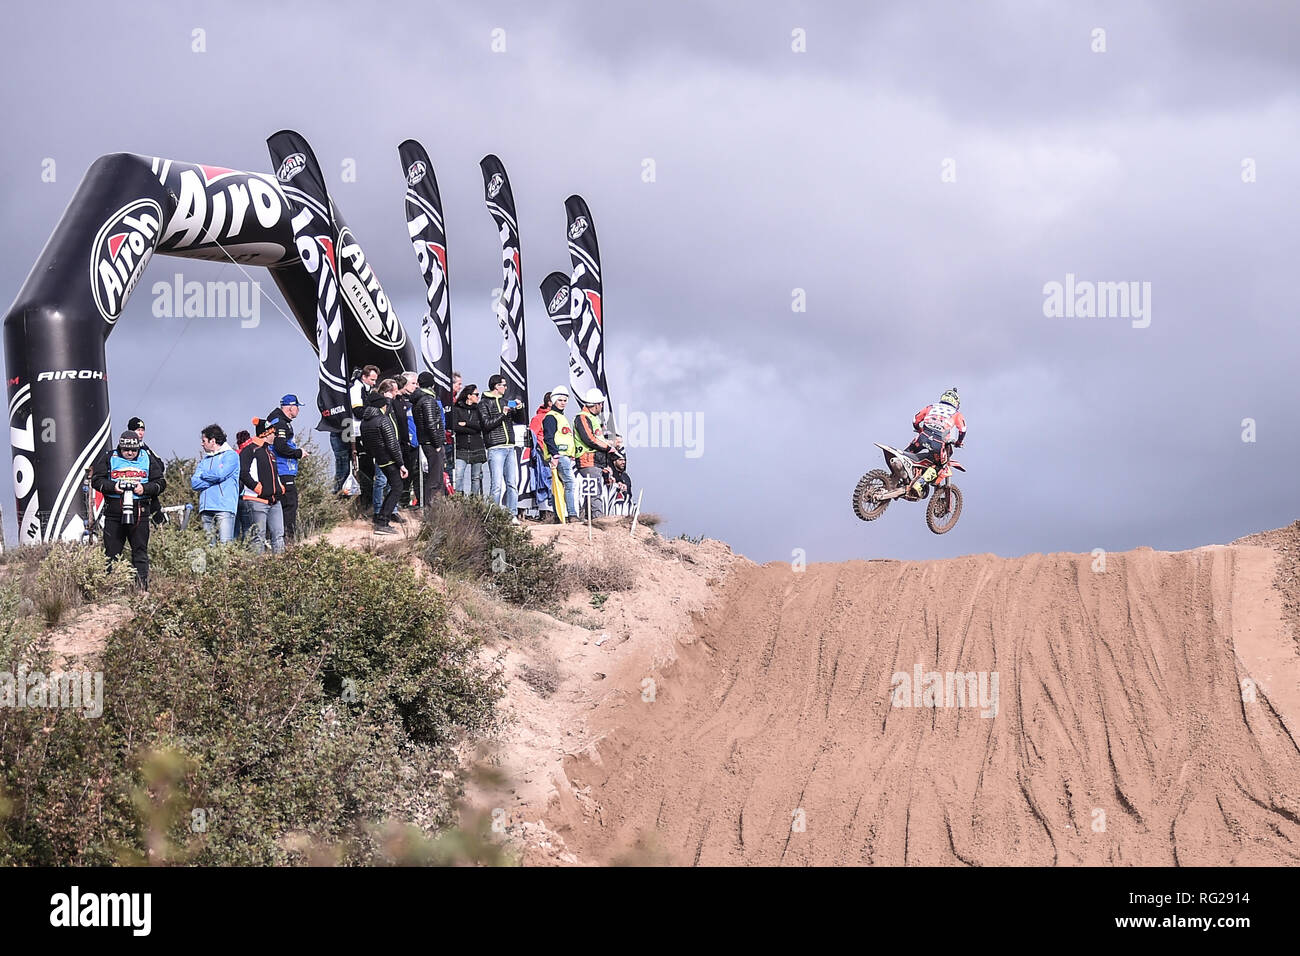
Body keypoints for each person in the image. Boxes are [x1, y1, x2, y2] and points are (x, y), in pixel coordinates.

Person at [90, 432, 166, 587]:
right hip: (114, 511)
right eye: (126, 450)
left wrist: (144, 488)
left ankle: (141, 588)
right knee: (111, 553)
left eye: (134, 450)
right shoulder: (110, 457)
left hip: (140, 511)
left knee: (140, 551)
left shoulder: (147, 457)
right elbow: (96, 480)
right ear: (120, 447)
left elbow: (160, 482)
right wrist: (114, 487)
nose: (130, 453)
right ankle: (111, 588)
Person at [360, 378, 407, 533]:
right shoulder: (382, 420)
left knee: (391, 486)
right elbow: (392, 443)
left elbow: (366, 444)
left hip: (379, 458)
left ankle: (382, 518)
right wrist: (401, 464)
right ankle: (383, 521)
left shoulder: (365, 422)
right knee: (397, 487)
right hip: (389, 458)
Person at [480, 374, 529, 519]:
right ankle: (493, 515)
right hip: (495, 448)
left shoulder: (505, 401)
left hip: (509, 447)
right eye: (504, 384)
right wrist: (503, 414)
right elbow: (487, 424)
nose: (506, 387)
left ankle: (511, 514)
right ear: (496, 386)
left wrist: (519, 409)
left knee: (512, 484)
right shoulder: (483, 403)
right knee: (496, 486)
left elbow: (520, 420)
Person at [905, 387, 966, 497]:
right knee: (939, 466)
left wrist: (919, 429)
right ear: (956, 403)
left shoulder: (931, 407)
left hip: (923, 436)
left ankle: (904, 475)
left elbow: (915, 420)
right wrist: (959, 442)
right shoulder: (956, 414)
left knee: (907, 453)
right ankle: (919, 484)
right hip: (938, 442)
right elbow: (962, 430)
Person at [240, 418, 286, 554]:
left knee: (278, 536)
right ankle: (257, 572)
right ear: (265, 434)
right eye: (272, 433)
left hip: (274, 501)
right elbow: (243, 472)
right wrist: (256, 487)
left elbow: (274, 474)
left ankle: (282, 569)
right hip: (256, 501)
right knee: (257, 538)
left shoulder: (270, 452)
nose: (275, 436)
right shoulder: (250, 450)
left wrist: (280, 486)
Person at [191, 424, 240, 544]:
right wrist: (214, 478)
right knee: (209, 549)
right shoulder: (204, 461)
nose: (202, 444)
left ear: (212, 441)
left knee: (226, 546)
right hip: (206, 508)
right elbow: (194, 483)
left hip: (224, 507)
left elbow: (221, 474)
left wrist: (204, 475)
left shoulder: (231, 456)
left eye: (204, 441)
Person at [266, 395, 304, 542]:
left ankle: (275, 540)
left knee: (280, 507)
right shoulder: (281, 424)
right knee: (289, 505)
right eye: (297, 406)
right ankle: (288, 541)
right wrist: (298, 453)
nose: (298, 410)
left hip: (280, 471)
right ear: (290, 407)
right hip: (282, 471)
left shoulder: (279, 421)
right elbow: (280, 447)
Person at [572, 388, 615, 518]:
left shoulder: (593, 418)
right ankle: (597, 519)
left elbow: (598, 439)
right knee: (595, 491)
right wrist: (607, 447)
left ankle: (586, 518)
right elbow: (589, 439)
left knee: (591, 492)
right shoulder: (582, 417)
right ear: (596, 404)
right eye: (601, 404)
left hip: (596, 461)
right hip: (588, 460)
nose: (602, 406)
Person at [541, 386, 578, 520]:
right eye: (560, 400)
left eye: (565, 400)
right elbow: (548, 437)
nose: (563, 403)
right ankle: (571, 514)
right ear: (554, 401)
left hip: (565, 456)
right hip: (559, 456)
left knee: (558, 485)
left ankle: (559, 515)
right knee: (569, 483)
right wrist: (554, 455)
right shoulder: (551, 417)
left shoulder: (562, 417)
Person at [412, 371, 448, 505]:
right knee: (435, 477)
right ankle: (430, 508)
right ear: (431, 385)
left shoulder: (418, 399)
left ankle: (430, 505)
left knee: (435, 475)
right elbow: (431, 423)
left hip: (426, 440)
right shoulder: (427, 400)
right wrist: (438, 443)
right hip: (431, 442)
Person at [349, 365, 381, 512]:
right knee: (364, 468)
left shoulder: (366, 388)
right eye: (372, 380)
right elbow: (357, 410)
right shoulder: (356, 388)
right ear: (364, 377)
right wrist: (375, 412)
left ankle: (367, 503)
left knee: (369, 468)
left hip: (364, 431)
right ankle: (364, 504)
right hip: (356, 432)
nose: (374, 383)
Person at [126, 416, 167, 527]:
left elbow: (160, 465)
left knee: (157, 517)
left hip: (149, 489)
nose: (141, 433)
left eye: (142, 430)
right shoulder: (125, 448)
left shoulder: (146, 448)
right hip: (132, 491)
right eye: (138, 430)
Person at [451, 384, 487, 498]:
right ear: (469, 396)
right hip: (461, 447)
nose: (478, 397)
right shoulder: (457, 409)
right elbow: (455, 427)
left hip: (477, 447)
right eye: (476, 394)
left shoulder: (479, 410)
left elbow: (481, 426)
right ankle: (459, 499)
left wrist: (466, 424)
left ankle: (474, 501)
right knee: (458, 475)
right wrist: (473, 428)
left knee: (476, 477)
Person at [393, 372, 421, 507]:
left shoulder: (415, 401)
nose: (415, 386)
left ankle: (407, 501)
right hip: (402, 443)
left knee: (413, 474)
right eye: (413, 383)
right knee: (401, 473)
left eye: (417, 383)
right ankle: (399, 502)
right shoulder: (397, 401)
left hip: (415, 443)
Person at [529, 391, 554, 520]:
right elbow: (533, 436)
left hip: (556, 455)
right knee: (544, 481)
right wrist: (540, 450)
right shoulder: (538, 418)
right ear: (549, 402)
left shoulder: (558, 417)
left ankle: (553, 511)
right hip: (544, 455)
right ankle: (545, 512)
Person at [233, 429, 254, 540]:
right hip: (248, 494)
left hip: (235, 495)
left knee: (234, 528)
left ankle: (233, 552)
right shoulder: (252, 452)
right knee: (248, 527)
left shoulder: (235, 454)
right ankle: (248, 551)